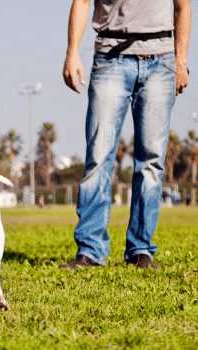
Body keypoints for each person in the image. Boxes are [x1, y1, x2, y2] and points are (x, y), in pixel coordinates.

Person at [62, 0, 191, 269]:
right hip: (110, 58)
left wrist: (180, 61)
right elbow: (82, 2)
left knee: (152, 162)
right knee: (98, 158)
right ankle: (90, 250)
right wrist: (72, 52)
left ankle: (141, 249)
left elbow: (183, 6)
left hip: (161, 61)